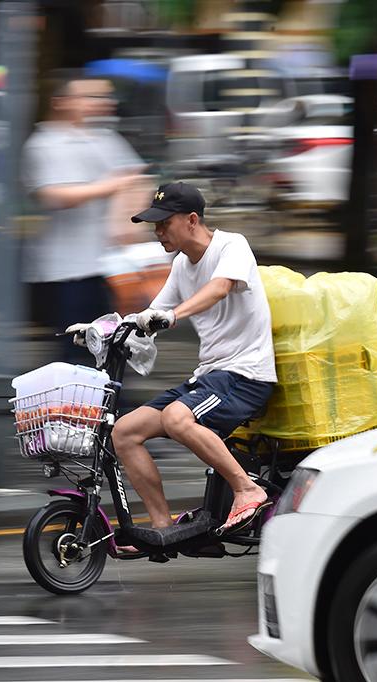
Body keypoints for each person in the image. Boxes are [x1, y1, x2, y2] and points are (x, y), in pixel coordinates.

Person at [109, 182, 277, 536]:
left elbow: (219, 288)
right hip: (211, 377)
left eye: (163, 223)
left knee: (176, 417)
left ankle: (247, 489)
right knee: (124, 431)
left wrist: (173, 316)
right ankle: (161, 528)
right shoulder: (182, 265)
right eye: (154, 225)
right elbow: (152, 314)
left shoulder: (232, 246)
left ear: (191, 220)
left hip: (246, 375)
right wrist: (104, 329)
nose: (157, 232)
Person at [21, 71, 145, 363]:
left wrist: (126, 219)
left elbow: (137, 178)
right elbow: (55, 195)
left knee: (115, 348)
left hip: (111, 264)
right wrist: (112, 186)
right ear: (61, 102)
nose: (101, 102)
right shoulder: (44, 144)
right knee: (77, 349)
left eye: (104, 96)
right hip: (67, 269)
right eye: (90, 96)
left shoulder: (107, 138)